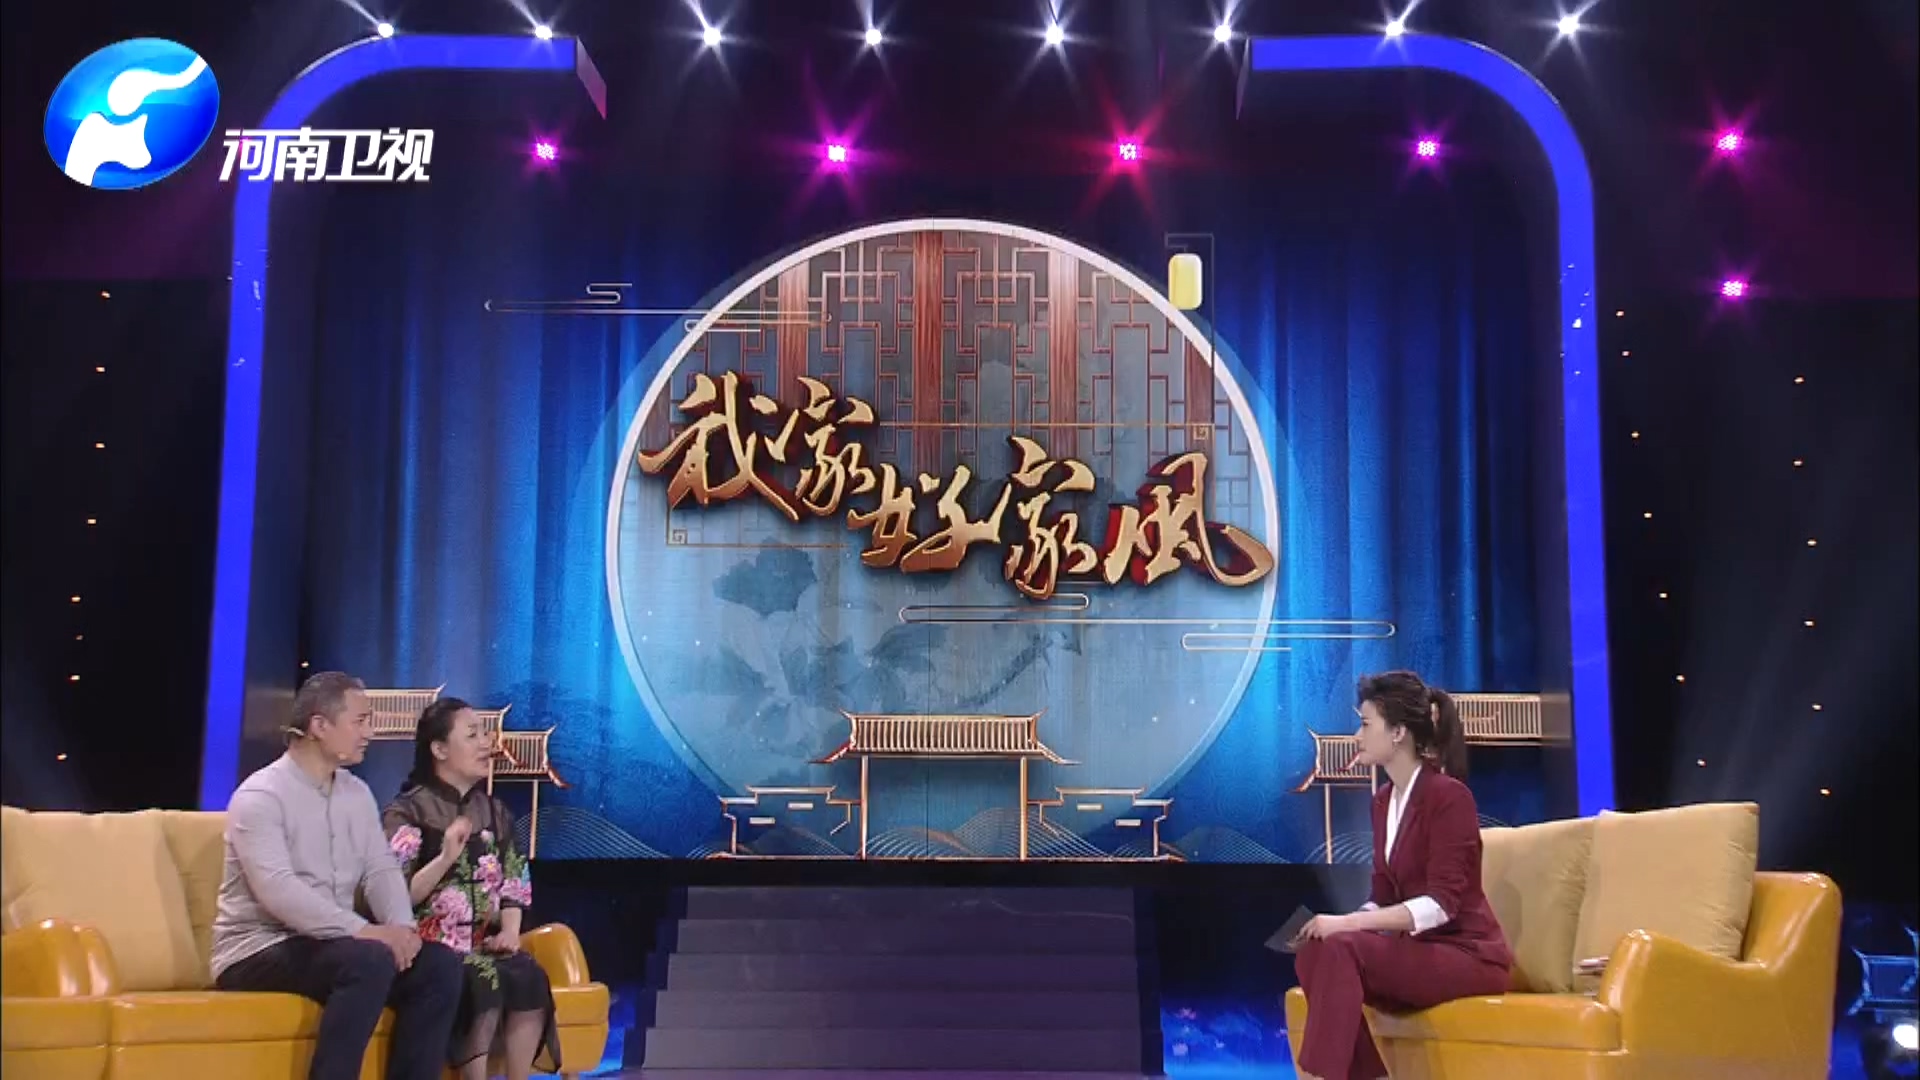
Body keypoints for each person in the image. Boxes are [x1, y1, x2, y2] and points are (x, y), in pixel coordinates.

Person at [211, 671, 464, 1080]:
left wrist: (402, 930)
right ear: (319, 725)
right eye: (360, 721)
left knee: (439, 966)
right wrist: (365, 931)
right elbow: (278, 891)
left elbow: (379, 868)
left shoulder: (356, 793)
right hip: (259, 948)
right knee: (367, 960)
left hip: (331, 944)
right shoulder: (261, 796)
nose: (370, 733)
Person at [1289, 671, 1515, 1080]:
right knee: (1314, 952)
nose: (1357, 736)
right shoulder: (1382, 802)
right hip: (1421, 952)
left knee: (1341, 946)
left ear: (1397, 732)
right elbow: (1382, 894)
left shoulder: (1449, 797)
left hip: (1467, 955)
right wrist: (1340, 924)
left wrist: (1348, 924)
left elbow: (1441, 905)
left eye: (1365, 724)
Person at [382, 698, 559, 1080]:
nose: (486, 743)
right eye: (472, 735)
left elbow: (514, 880)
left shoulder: (494, 812)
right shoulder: (408, 811)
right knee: (481, 979)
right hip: (428, 951)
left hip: (482, 943)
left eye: (484, 733)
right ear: (439, 749)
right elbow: (394, 896)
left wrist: (510, 932)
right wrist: (446, 857)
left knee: (528, 975)